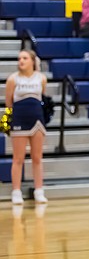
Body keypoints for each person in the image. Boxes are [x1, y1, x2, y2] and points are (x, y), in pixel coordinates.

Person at [6, 49, 48, 205]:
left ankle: (39, 190)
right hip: (19, 120)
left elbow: (41, 97)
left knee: (37, 158)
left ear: (32, 61)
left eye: (24, 58)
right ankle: (16, 192)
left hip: (37, 120)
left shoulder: (41, 78)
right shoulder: (12, 79)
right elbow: (9, 102)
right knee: (18, 158)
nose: (21, 61)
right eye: (19, 58)